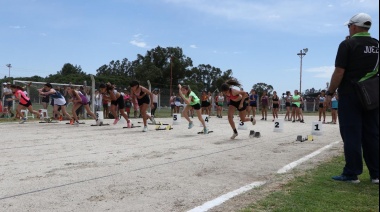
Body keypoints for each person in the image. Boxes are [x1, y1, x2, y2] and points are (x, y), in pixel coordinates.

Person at [326, 13, 378, 184]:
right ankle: (376, 174)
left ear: (354, 27)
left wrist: (329, 92)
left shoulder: (347, 44)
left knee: (351, 135)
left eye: (349, 26)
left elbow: (339, 71)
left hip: (351, 95)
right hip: (373, 96)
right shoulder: (377, 45)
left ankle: (352, 173)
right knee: (372, 134)